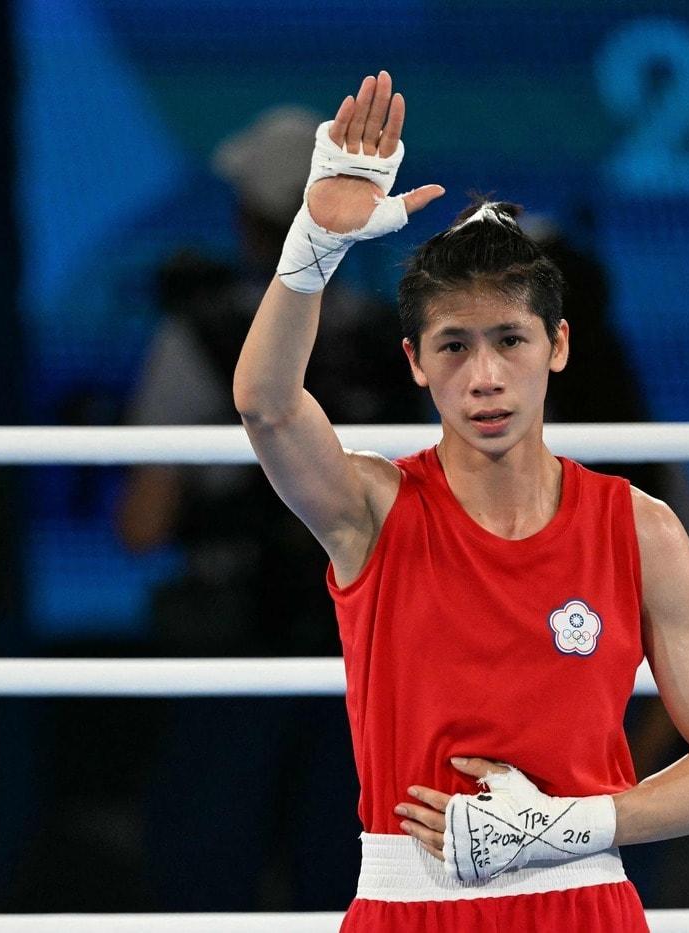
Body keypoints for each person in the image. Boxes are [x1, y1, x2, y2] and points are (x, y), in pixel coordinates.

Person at [233, 71, 689, 929]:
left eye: (509, 340)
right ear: (415, 359)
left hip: (585, 901)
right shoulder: (371, 508)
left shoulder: (640, 528)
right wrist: (312, 250)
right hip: (412, 906)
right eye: (454, 345)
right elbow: (266, 404)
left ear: (556, 346)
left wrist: (565, 824)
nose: (484, 377)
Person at [116, 106, 419, 910]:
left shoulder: (195, 337)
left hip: (235, 648)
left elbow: (140, 526)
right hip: (366, 648)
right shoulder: (404, 345)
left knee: (206, 880)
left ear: (250, 221)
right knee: (360, 876)